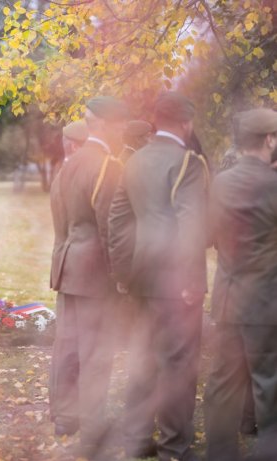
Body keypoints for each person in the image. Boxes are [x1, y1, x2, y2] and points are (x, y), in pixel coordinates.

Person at [108, 92, 209, 461]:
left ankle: (135, 441)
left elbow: (117, 221)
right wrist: (192, 280)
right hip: (173, 280)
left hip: (138, 276)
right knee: (179, 364)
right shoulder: (188, 163)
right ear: (187, 123)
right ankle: (174, 447)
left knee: (142, 357)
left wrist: (122, 272)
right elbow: (191, 226)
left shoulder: (132, 161)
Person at [49, 96, 128, 457]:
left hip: (67, 266)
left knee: (67, 348)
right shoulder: (107, 165)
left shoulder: (69, 163)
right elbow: (110, 227)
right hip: (94, 271)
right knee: (96, 353)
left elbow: (62, 220)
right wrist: (120, 275)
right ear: (110, 125)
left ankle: (66, 417)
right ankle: (94, 427)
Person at [203, 108, 277, 461]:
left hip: (230, 299)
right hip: (266, 301)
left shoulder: (221, 183)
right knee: (268, 384)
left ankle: (220, 454)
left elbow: (209, 235)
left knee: (222, 385)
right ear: (270, 140)